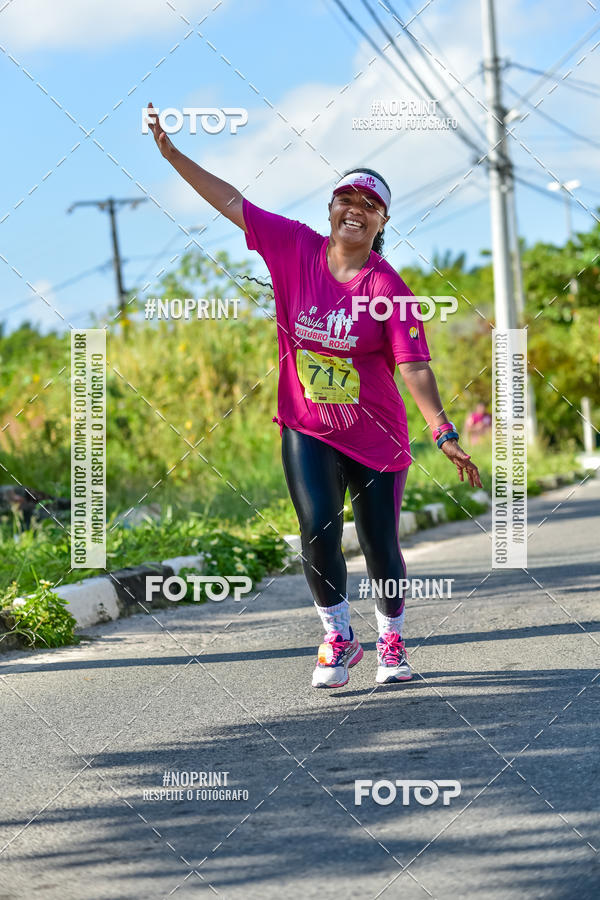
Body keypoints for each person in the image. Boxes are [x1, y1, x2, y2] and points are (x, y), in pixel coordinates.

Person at [147, 103, 482, 689]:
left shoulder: (388, 287)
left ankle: (392, 638)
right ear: (331, 211)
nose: (355, 209)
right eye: (346, 200)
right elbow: (232, 202)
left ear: (382, 223)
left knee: (380, 543)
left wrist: (444, 432)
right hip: (305, 422)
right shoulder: (293, 246)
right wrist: (173, 155)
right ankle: (337, 635)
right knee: (318, 528)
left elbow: (414, 365)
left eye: (369, 205)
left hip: (375, 432)